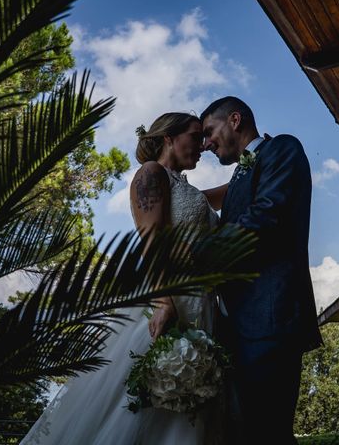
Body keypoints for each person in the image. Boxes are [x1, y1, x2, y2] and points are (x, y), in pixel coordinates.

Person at [21, 112, 227, 445]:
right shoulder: (151, 173)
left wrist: (254, 163)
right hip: (169, 297)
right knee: (142, 404)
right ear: (168, 138)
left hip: (200, 302)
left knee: (186, 406)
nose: (203, 145)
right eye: (195, 135)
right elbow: (151, 238)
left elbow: (221, 195)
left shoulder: (185, 188)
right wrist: (164, 302)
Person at [201, 96, 323, 445]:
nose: (206, 143)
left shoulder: (282, 149)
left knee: (269, 431)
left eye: (210, 132)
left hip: (272, 317)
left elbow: (265, 218)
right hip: (236, 323)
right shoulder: (241, 173)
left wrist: (193, 255)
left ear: (235, 120)